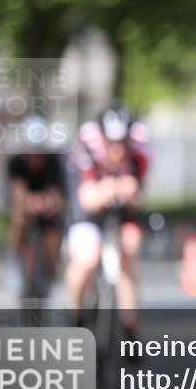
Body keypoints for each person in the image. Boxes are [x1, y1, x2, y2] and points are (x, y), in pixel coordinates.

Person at [65, 103, 150, 340]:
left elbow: (137, 195)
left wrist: (124, 192)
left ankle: (129, 326)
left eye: (122, 143)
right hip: (88, 214)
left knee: (129, 249)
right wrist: (112, 189)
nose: (117, 150)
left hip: (123, 213)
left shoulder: (140, 151)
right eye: (111, 143)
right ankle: (77, 317)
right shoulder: (86, 149)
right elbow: (86, 199)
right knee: (87, 259)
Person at [6, 116, 67, 296]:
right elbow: (17, 191)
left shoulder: (54, 163)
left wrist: (47, 202)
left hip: (48, 208)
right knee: (19, 219)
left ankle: (52, 271)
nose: (35, 158)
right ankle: (16, 261)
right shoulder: (15, 163)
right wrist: (28, 203)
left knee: (52, 236)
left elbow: (58, 193)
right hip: (24, 205)